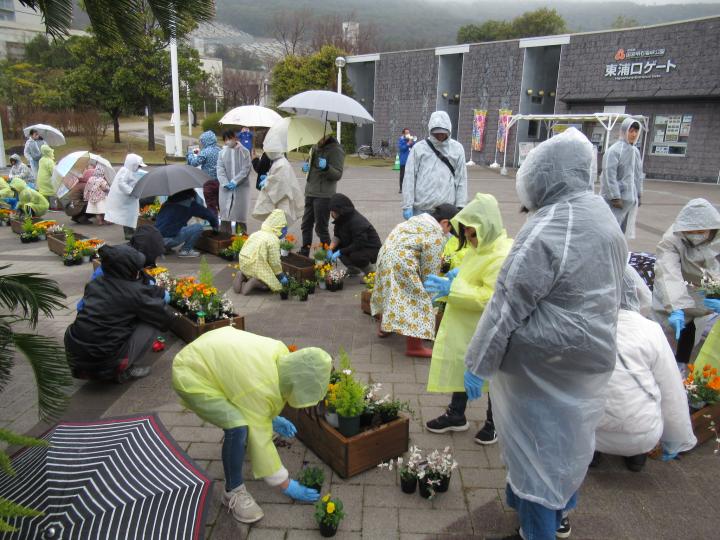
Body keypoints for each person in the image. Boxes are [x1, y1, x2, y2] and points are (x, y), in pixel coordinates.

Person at [464, 129, 626, 540]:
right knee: (566, 443)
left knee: (534, 449)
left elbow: (507, 304)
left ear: (543, 179)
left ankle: (537, 528)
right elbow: (621, 284)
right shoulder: (603, 215)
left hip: (542, 362)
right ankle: (556, 510)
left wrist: (477, 364)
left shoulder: (549, 226)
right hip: (592, 357)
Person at [172, 328, 330, 523]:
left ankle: (237, 450)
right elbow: (261, 439)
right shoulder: (259, 386)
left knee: (246, 417)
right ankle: (233, 492)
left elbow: (251, 394)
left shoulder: (280, 353)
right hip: (191, 373)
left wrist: (270, 418)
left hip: (209, 352)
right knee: (238, 426)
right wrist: (286, 484)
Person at [423, 194, 513, 446]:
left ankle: (494, 423)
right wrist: (456, 275)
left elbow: (489, 297)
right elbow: (472, 271)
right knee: (463, 364)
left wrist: (453, 289)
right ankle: (457, 414)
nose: (470, 241)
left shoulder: (501, 253)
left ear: (489, 226)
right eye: (467, 234)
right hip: (467, 323)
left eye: (473, 234)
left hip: (489, 328)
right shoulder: (481, 246)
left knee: (492, 373)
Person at [594, 265, 697, 473]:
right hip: (642, 435)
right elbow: (672, 391)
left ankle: (592, 456)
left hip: (588, 432)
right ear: (636, 292)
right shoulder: (651, 331)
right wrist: (678, 439)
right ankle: (635, 457)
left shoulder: (587, 324)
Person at [65, 244, 177, 382]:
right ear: (127, 269)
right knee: (152, 322)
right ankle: (124, 370)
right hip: (105, 364)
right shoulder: (133, 292)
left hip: (76, 359)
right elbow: (165, 317)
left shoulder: (95, 283)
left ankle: (107, 366)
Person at [371, 203, 459, 358]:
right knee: (418, 298)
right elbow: (429, 273)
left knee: (389, 291)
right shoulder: (435, 234)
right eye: (451, 229)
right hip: (401, 263)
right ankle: (415, 347)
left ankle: (385, 327)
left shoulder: (417, 220)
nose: (449, 234)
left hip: (385, 255)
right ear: (445, 223)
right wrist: (430, 297)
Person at [653, 198, 720, 369]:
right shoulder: (672, 240)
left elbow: (714, 269)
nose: (697, 234)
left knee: (689, 342)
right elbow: (669, 274)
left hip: (701, 300)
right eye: (693, 230)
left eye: (702, 230)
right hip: (671, 300)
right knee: (663, 347)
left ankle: (680, 369)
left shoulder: (715, 238)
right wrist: (676, 307)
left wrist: (715, 293)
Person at [76, 225, 166, 310]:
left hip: (92, 313)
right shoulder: (118, 265)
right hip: (103, 318)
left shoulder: (126, 257)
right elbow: (139, 297)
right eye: (153, 255)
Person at [402, 111, 467, 220]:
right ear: (431, 131)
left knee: (445, 237)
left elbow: (461, 179)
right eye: (436, 133)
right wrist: (407, 205)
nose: (440, 136)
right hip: (422, 210)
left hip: (447, 211)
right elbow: (409, 177)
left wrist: (460, 206)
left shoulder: (457, 149)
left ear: (449, 130)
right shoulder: (419, 148)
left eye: (443, 132)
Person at [299, 134, 345, 256]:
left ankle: (327, 255)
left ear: (326, 136)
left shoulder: (336, 150)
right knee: (306, 224)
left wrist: (326, 168)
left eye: (319, 137)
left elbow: (338, 174)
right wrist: (305, 168)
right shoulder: (314, 147)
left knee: (321, 228)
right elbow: (309, 165)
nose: (317, 140)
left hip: (324, 195)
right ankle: (304, 251)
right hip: (310, 191)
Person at [600, 118, 644, 235]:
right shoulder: (614, 151)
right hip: (615, 202)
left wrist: (638, 194)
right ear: (624, 131)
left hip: (629, 200)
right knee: (610, 230)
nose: (634, 134)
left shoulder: (635, 152)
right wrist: (615, 196)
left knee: (621, 232)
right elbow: (609, 175)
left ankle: (618, 252)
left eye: (636, 131)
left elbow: (638, 175)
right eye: (631, 131)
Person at [235, 209, 289, 295]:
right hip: (255, 264)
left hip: (244, 262)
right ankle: (254, 282)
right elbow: (274, 262)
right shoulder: (273, 240)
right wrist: (280, 275)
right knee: (271, 285)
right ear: (278, 228)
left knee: (252, 271)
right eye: (284, 228)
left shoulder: (256, 233)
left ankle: (241, 275)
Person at [326, 193, 382, 275]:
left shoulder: (357, 222)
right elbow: (337, 236)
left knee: (356, 256)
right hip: (356, 245)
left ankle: (371, 274)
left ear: (340, 211)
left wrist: (340, 252)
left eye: (333, 211)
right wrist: (330, 248)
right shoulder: (340, 219)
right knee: (335, 247)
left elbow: (359, 244)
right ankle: (353, 269)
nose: (331, 214)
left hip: (371, 248)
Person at [155, 189, 220, 258]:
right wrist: (215, 226)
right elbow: (209, 215)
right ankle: (186, 250)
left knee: (172, 226)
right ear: (190, 196)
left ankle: (165, 248)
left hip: (156, 239)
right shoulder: (190, 205)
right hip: (168, 240)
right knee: (198, 227)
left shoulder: (167, 203)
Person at [251, 151, 304, 225]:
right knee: (275, 221)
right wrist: (268, 178)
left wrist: (268, 181)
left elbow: (279, 179)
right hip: (277, 195)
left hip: (279, 196)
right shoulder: (279, 159)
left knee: (277, 222)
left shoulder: (280, 162)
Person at [217, 130, 252, 235]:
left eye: (229, 138)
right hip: (225, 188)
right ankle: (224, 237)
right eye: (225, 140)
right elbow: (220, 168)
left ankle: (241, 238)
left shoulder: (244, 152)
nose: (228, 141)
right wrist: (224, 182)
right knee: (225, 214)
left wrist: (235, 181)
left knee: (240, 214)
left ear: (235, 137)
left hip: (241, 188)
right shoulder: (222, 153)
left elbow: (246, 169)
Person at [105, 153, 147, 240]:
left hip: (127, 198)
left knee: (130, 214)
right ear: (133, 164)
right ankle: (129, 233)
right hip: (125, 198)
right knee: (127, 215)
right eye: (138, 166)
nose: (139, 168)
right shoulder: (125, 171)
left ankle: (130, 231)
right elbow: (122, 183)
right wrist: (132, 191)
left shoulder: (128, 171)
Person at [187, 130, 221, 215]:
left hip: (208, 182)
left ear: (206, 141)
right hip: (220, 181)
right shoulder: (220, 150)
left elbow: (194, 163)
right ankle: (224, 223)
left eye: (202, 141)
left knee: (211, 204)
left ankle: (214, 223)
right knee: (221, 203)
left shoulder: (205, 152)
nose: (201, 143)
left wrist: (190, 154)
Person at [397, 128, 416, 193]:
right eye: (406, 133)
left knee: (411, 175)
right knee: (402, 175)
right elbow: (402, 148)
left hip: (411, 160)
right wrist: (408, 143)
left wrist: (412, 141)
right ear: (403, 134)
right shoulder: (401, 140)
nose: (408, 134)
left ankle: (410, 188)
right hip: (404, 160)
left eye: (408, 132)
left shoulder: (410, 139)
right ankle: (401, 188)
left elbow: (415, 147)